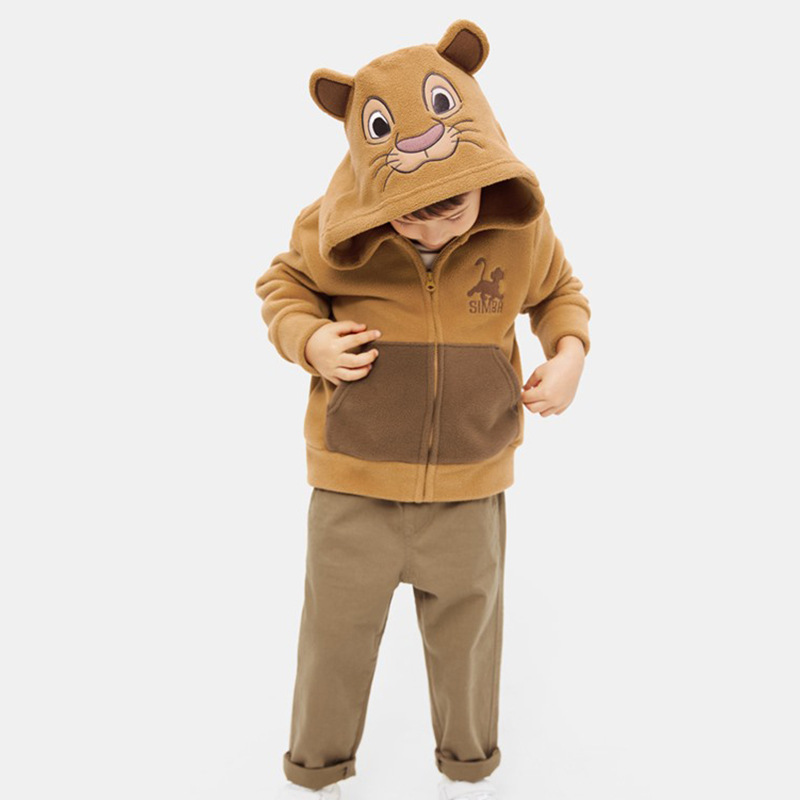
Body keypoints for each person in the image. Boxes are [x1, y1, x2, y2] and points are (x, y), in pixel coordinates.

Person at [254, 18, 591, 800]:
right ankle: (316, 778)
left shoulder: (520, 230)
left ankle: (468, 778)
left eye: (450, 204)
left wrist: (569, 353)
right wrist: (310, 340)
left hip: (471, 488)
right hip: (354, 489)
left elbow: (559, 293)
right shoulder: (334, 222)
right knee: (333, 643)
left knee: (469, 644)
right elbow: (283, 285)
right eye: (409, 209)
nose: (431, 219)